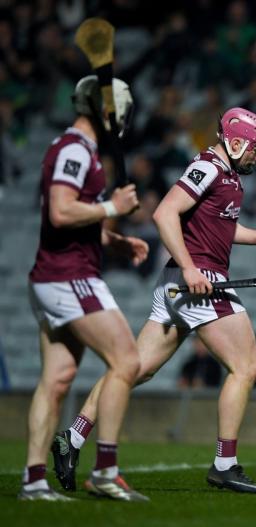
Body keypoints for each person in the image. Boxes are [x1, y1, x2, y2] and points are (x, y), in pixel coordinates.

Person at [51, 107, 256, 495]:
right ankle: (224, 464)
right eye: (255, 150)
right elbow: (166, 214)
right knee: (246, 366)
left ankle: (72, 438)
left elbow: (217, 227)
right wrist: (190, 268)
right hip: (197, 279)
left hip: (181, 282)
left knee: (135, 368)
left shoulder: (227, 175)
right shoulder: (209, 167)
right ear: (235, 142)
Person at [22, 76, 148, 501]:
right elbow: (60, 211)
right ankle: (106, 472)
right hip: (69, 277)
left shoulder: (73, 148)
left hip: (52, 275)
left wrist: (114, 239)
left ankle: (34, 480)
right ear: (107, 111)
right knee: (126, 361)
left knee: (57, 379)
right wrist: (115, 207)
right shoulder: (75, 150)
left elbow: (76, 219)